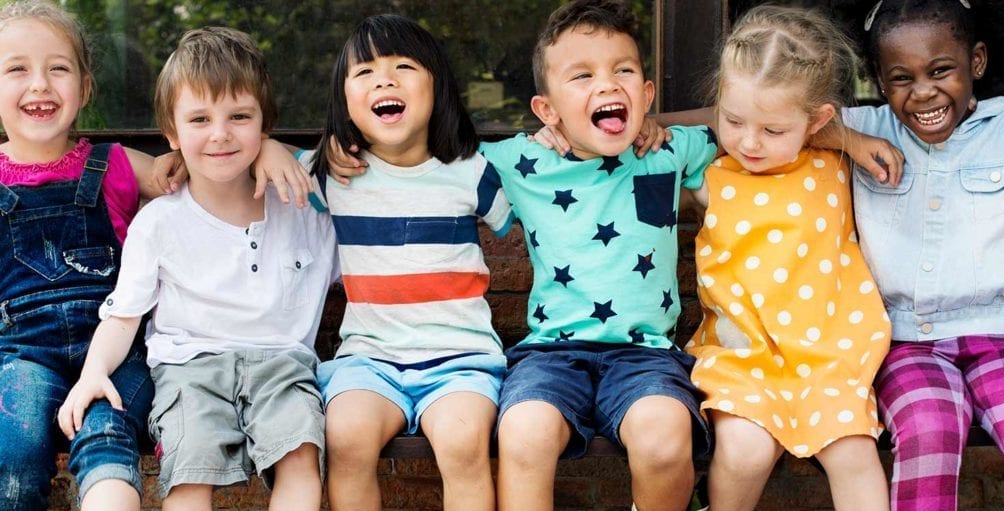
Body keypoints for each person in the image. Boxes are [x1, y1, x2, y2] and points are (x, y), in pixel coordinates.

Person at [56, 26, 338, 511]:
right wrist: (93, 373)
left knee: (301, 458)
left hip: (283, 366)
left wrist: (279, 150)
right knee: (189, 472)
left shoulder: (303, 205)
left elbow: (362, 164)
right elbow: (123, 317)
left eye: (240, 116)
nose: (220, 133)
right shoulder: (160, 222)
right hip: (189, 369)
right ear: (172, 133)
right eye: (200, 119)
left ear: (264, 124)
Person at [477, 2, 720, 509]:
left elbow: (745, 118)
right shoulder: (522, 160)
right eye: (582, 75)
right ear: (547, 109)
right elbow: (427, 148)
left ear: (646, 93)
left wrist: (658, 122)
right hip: (550, 354)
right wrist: (311, 155)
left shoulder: (667, 150)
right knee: (523, 432)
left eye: (623, 71)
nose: (607, 85)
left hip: (646, 356)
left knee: (664, 438)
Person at [669, 6, 892, 510]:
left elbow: (839, 129)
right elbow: (649, 145)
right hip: (744, 357)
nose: (749, 142)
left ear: (818, 122)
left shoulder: (838, 162)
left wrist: (849, 139)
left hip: (830, 358)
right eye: (734, 121)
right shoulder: (711, 177)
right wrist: (647, 125)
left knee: (855, 455)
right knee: (744, 452)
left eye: (772, 131)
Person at [302, 14, 512, 511]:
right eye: (365, 72)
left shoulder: (472, 171)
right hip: (369, 359)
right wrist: (276, 149)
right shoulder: (330, 175)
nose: (385, 80)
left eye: (403, 66)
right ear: (344, 100)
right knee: (345, 437)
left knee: (462, 443)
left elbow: (519, 211)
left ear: (437, 86)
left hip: (461, 359)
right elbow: (254, 158)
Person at [843, 1, 1004, 509]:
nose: (922, 91)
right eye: (902, 78)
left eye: (940, 70)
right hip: (906, 342)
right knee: (928, 428)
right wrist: (844, 137)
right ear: (879, 80)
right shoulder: (865, 128)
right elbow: (765, 115)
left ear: (977, 61)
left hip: (1003, 335)